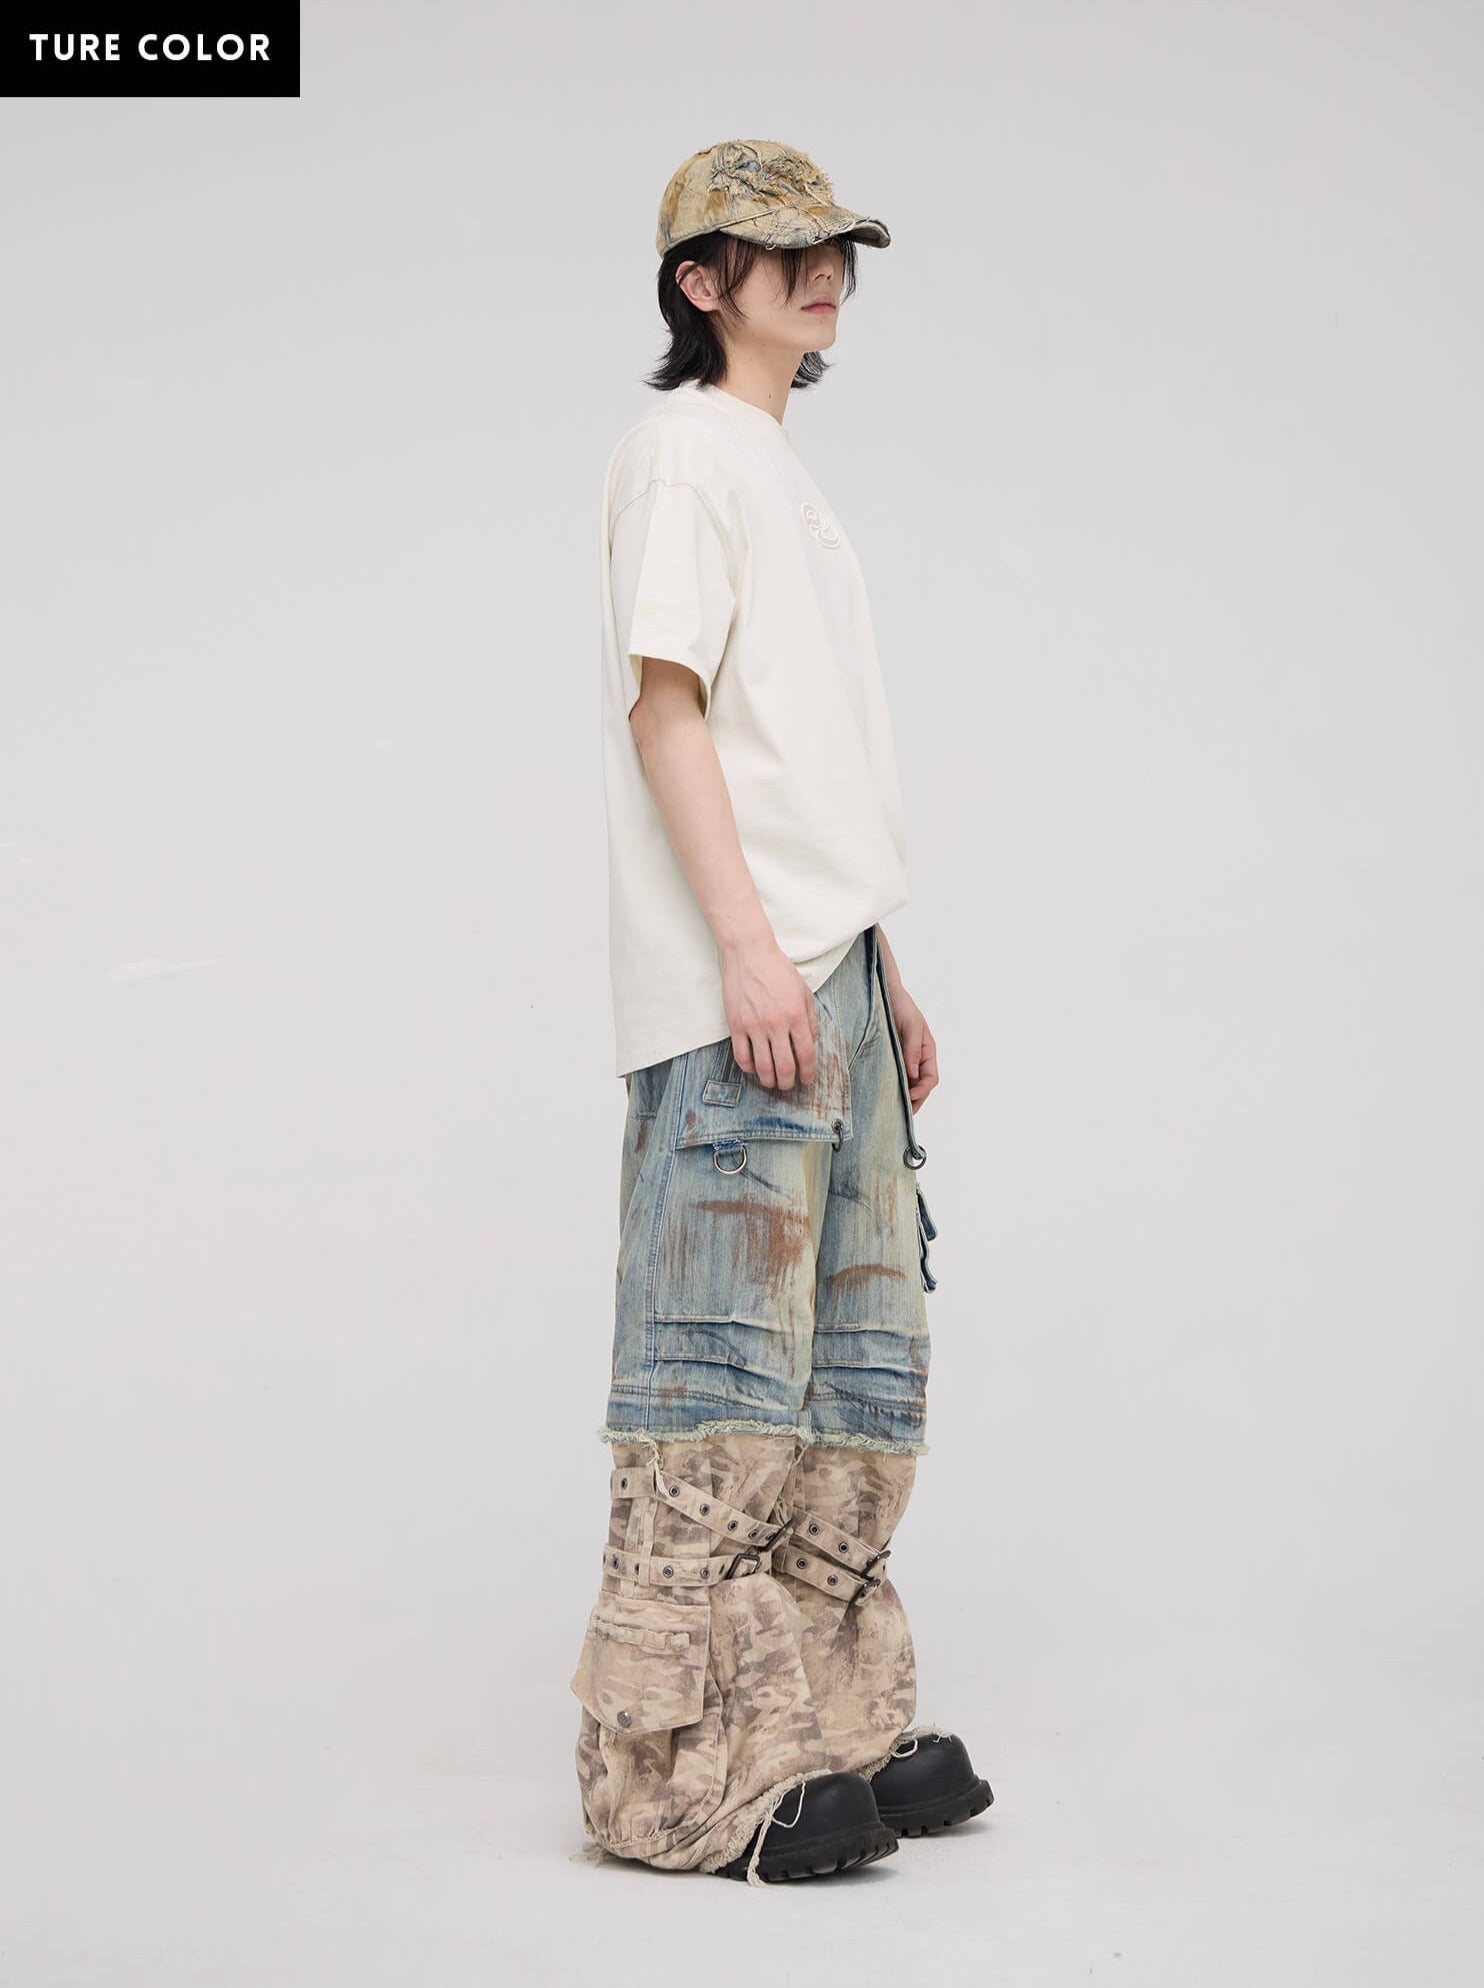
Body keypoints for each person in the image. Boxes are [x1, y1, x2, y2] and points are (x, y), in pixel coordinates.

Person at [569, 138, 992, 1887]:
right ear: (701, 281)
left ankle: (822, 1721)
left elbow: (797, 762)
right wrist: (749, 951)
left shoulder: (776, 471)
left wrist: (878, 964)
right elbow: (667, 710)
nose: (826, 275)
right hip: (744, 980)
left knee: (857, 1371)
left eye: (839, 251)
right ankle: (667, 1779)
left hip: (833, 970)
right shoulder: (683, 451)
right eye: (783, 250)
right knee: (721, 1376)